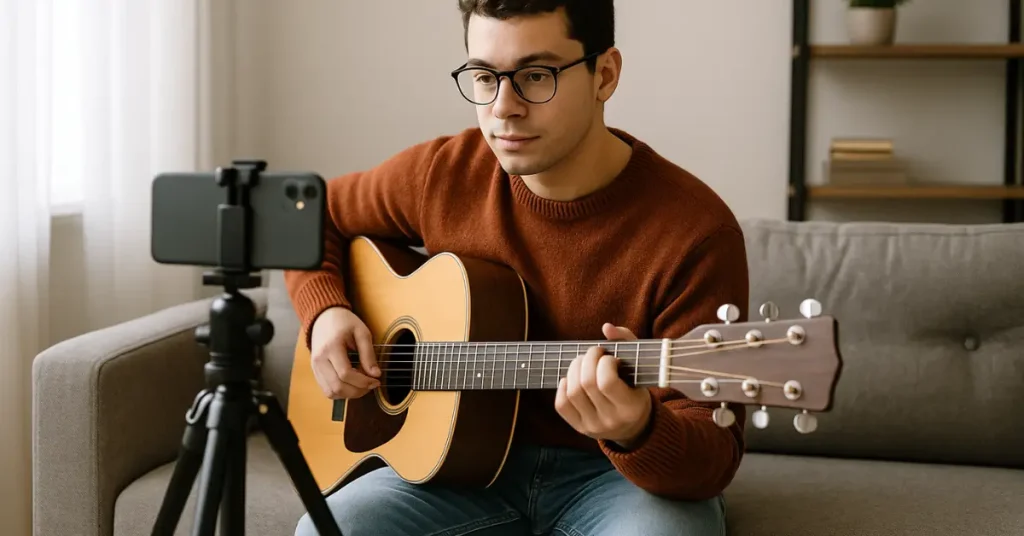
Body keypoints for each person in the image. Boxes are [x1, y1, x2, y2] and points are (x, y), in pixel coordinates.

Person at [285, 1, 749, 534]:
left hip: (616, 480)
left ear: (605, 74)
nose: (504, 107)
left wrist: (638, 428)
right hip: (457, 472)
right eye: (484, 76)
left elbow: (713, 455)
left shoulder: (695, 231)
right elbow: (309, 213)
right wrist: (325, 312)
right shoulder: (446, 172)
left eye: (536, 75)